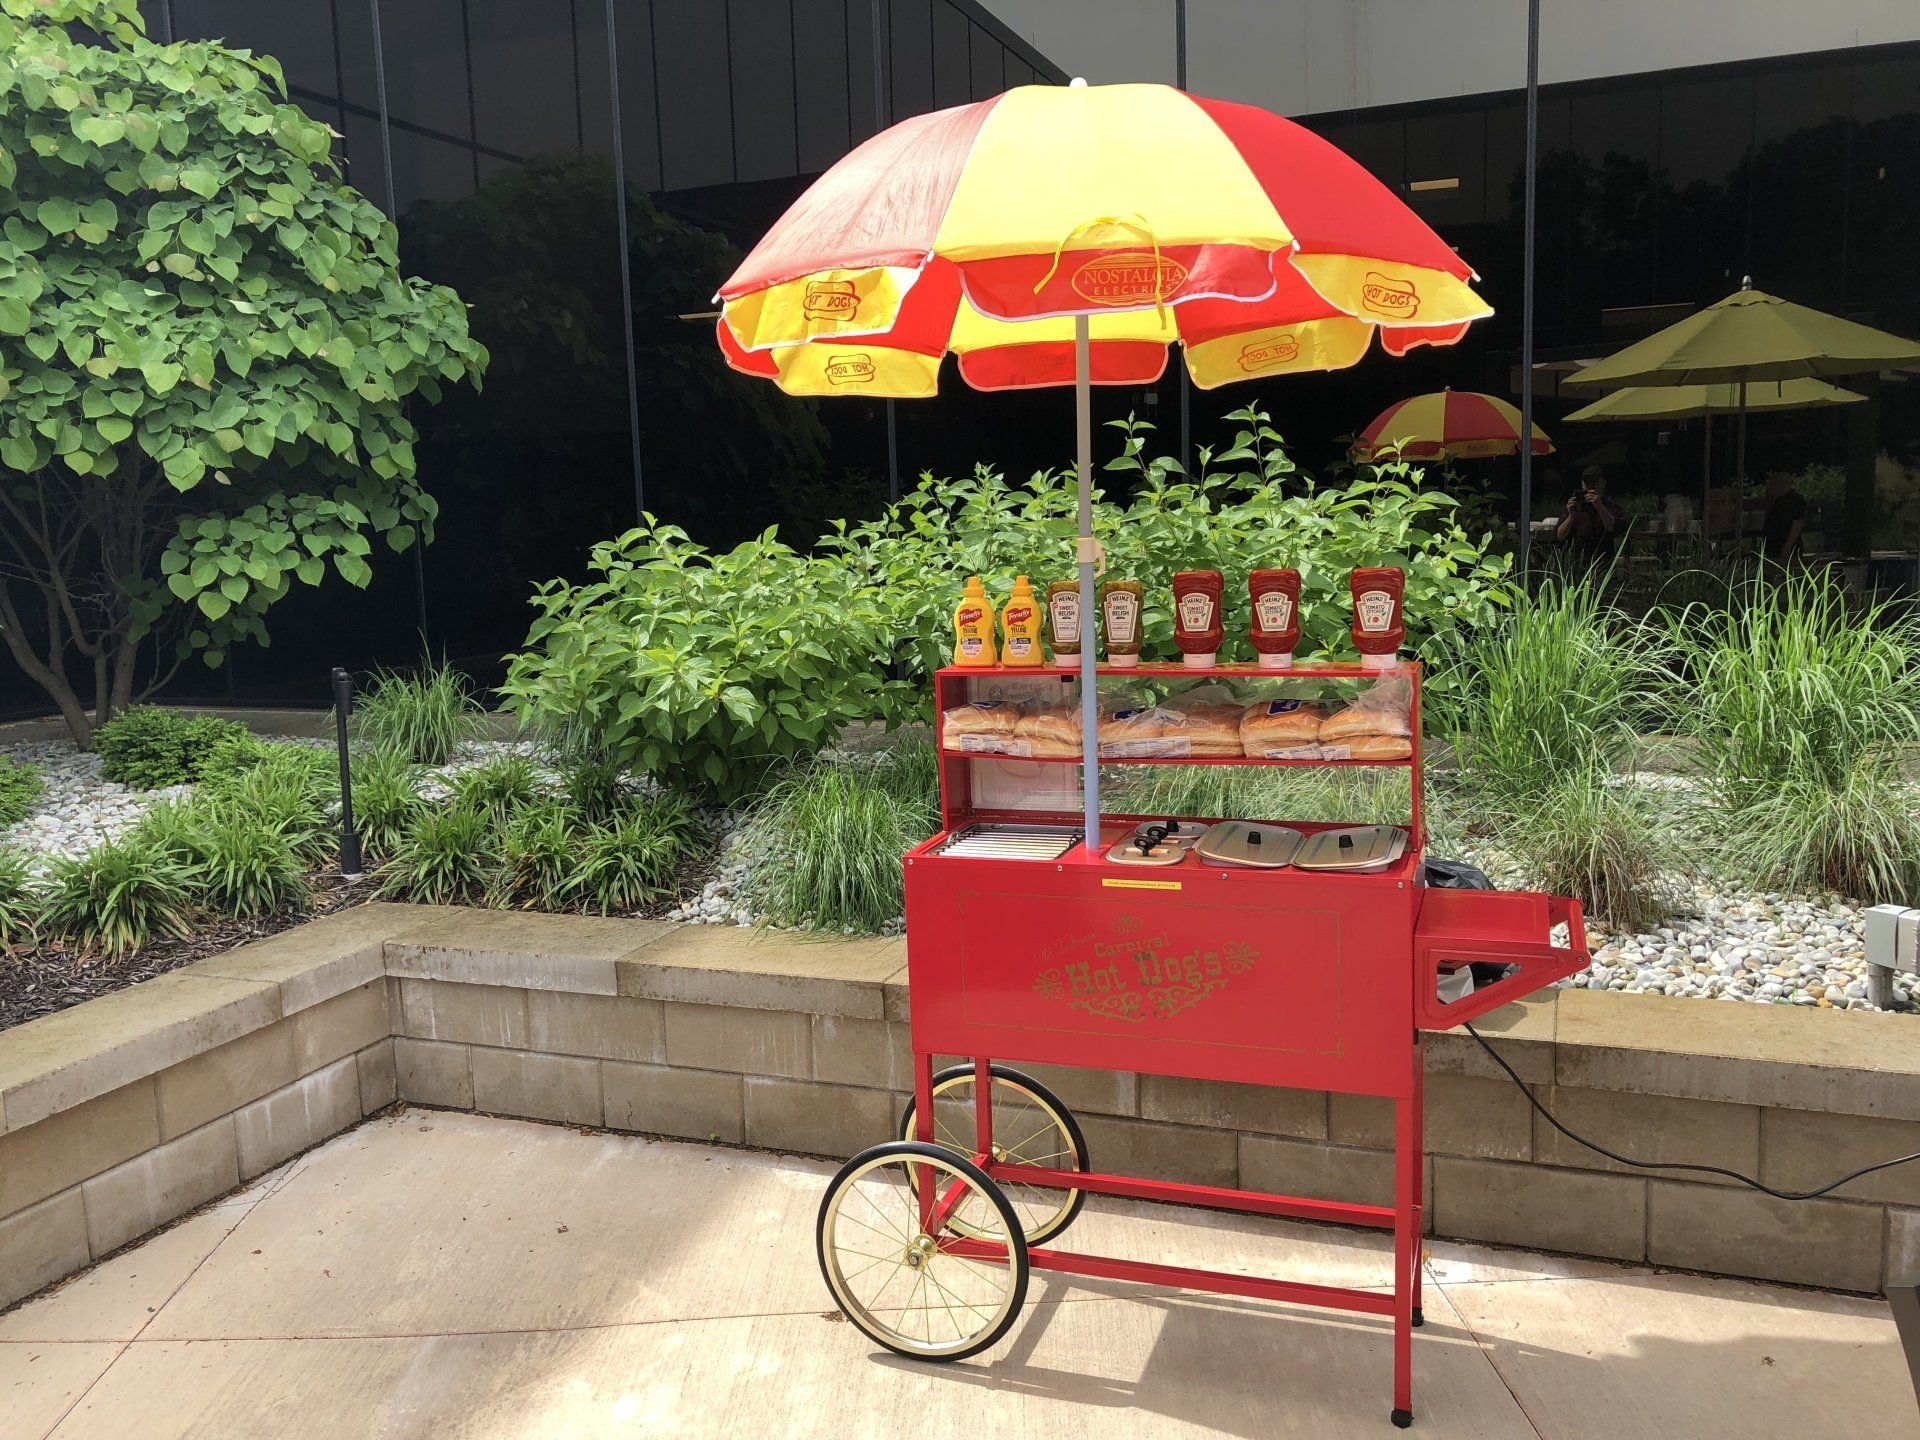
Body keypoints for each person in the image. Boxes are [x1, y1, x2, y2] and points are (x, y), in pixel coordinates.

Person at [1555, 465, 1625, 562]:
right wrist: (1571, 517)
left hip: (1602, 562)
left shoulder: (1611, 508)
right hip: (1578, 562)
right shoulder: (1575, 507)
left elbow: (1611, 527)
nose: (1591, 486)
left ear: (1603, 483)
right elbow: (1560, 536)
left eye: (1594, 482)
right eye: (1587, 482)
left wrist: (1599, 507)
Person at [1761, 472, 1808, 564]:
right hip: (1776, 547)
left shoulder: (1793, 501)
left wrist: (1787, 546)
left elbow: (1797, 524)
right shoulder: (1779, 501)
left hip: (1785, 548)